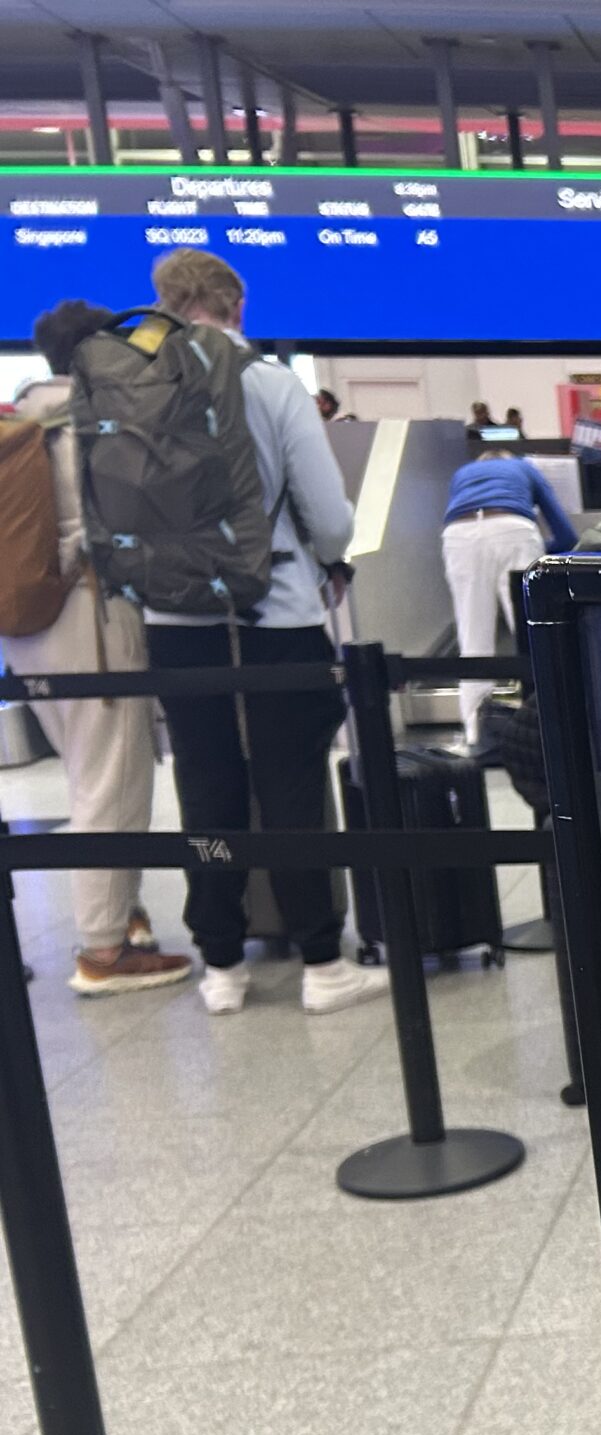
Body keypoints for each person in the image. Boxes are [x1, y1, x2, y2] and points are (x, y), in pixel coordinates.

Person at [139, 248, 381, 1016]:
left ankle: (220, 965)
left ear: (167, 306)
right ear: (237, 309)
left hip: (173, 624)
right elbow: (333, 520)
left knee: (205, 788)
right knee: (291, 789)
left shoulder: (136, 387)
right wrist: (329, 559)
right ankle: (321, 962)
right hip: (271, 617)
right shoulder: (270, 384)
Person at [1, 303, 191, 997]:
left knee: (87, 768)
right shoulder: (91, 419)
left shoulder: (19, 418)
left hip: (26, 624)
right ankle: (103, 950)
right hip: (90, 610)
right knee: (110, 777)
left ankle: (123, 914)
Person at [440, 447, 576, 747]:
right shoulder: (524, 467)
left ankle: (476, 733)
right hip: (513, 529)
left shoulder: (461, 474)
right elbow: (566, 534)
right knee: (533, 634)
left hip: (458, 535)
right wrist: (545, 550)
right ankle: (547, 729)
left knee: (473, 638)